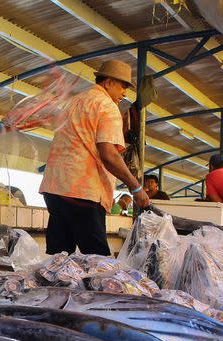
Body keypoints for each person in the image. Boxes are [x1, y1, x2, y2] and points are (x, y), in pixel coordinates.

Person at [39, 59, 149, 255]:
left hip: (54, 190)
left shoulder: (73, 102)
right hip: (83, 193)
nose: (124, 93)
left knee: (58, 260)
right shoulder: (106, 106)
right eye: (123, 86)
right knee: (99, 263)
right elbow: (109, 154)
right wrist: (136, 187)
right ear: (108, 83)